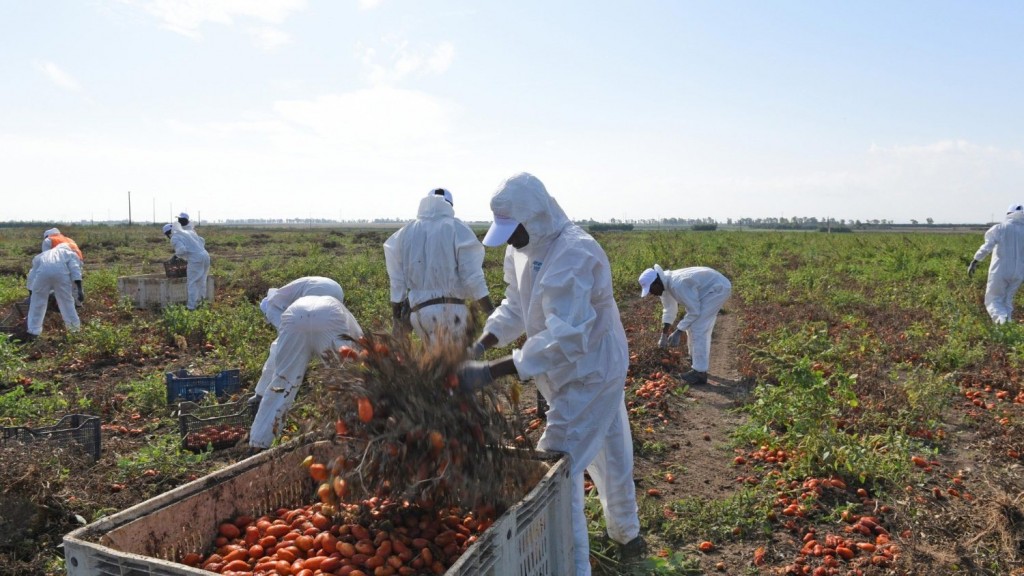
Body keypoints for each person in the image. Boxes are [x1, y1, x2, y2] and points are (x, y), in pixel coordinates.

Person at [459, 172, 642, 574]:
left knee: (558, 467)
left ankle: (571, 566)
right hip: (566, 369)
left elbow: (566, 338)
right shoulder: (521, 248)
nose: (509, 239)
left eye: (514, 230)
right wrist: (481, 344)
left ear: (537, 217)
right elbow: (515, 305)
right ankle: (628, 536)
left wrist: (490, 371)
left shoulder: (575, 253)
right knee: (610, 450)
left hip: (591, 368)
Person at [248, 294, 363, 450]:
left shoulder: (303, 302)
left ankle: (258, 442)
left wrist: (263, 388)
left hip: (294, 316)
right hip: (329, 317)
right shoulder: (351, 324)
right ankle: (353, 436)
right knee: (344, 382)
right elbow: (358, 357)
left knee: (281, 383)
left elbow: (276, 356)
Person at [383, 188, 493, 345]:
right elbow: (473, 278)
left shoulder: (405, 232)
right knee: (456, 367)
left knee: (433, 364)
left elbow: (396, 282)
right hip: (451, 313)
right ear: (450, 206)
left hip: (418, 314)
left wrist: (396, 321)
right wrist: (490, 311)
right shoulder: (456, 228)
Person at [250, 276, 347, 408]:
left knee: (277, 349)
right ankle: (346, 387)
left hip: (316, 291)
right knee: (330, 341)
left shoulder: (271, 308)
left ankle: (260, 395)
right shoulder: (284, 296)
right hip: (335, 288)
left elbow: (287, 334)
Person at [638, 264, 732, 385]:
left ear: (656, 283)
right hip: (709, 288)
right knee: (693, 325)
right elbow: (669, 310)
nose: (652, 293)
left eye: (651, 290)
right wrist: (664, 335)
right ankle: (694, 359)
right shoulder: (665, 286)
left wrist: (678, 331)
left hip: (717, 289)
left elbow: (694, 311)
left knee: (698, 327)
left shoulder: (678, 284)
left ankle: (699, 372)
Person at [969, 203, 1024, 324]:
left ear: (1008, 213)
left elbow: (987, 246)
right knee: (1007, 301)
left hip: (1000, 270)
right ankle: (1008, 327)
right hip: (1019, 272)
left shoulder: (1000, 228)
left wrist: (976, 259)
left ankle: (1002, 324)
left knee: (993, 300)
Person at [25, 243, 84, 339]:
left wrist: (31, 292)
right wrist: (79, 289)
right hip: (61, 275)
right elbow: (75, 270)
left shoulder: (41, 255)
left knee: (37, 303)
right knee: (67, 302)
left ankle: (33, 331)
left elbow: (32, 275)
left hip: (42, 276)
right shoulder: (70, 254)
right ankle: (74, 330)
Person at [163, 221, 211, 310]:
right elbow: (202, 240)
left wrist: (176, 256)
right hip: (205, 256)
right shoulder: (187, 232)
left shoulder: (174, 237)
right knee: (202, 281)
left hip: (196, 259)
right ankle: (201, 303)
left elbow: (181, 250)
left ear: (167, 233)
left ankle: (191, 307)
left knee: (192, 283)